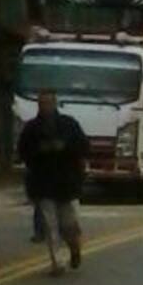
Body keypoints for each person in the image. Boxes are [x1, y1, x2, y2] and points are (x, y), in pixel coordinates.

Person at [18, 88, 89, 275]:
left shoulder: (69, 124)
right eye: (42, 103)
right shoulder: (31, 128)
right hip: (43, 183)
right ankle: (57, 263)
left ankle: (74, 247)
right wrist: (40, 150)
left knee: (69, 224)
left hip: (67, 182)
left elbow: (83, 146)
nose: (45, 106)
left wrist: (65, 147)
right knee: (50, 226)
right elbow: (23, 152)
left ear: (55, 103)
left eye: (48, 102)